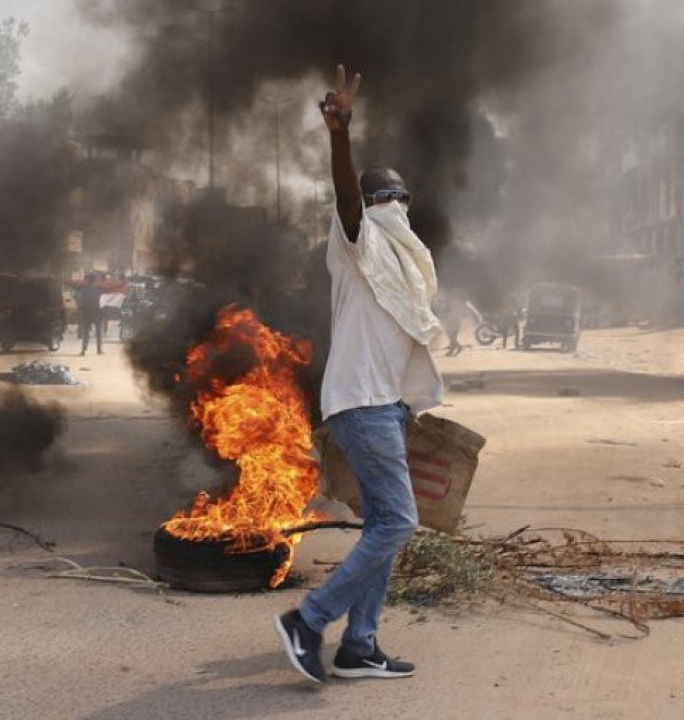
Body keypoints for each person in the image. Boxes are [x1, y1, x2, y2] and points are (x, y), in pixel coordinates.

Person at [275, 65, 444, 684]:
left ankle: (360, 645)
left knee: (383, 526)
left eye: (402, 196)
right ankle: (309, 619)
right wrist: (340, 136)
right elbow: (346, 197)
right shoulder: (359, 244)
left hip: (386, 407)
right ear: (369, 208)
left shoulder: (404, 267)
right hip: (361, 405)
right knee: (399, 522)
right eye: (384, 198)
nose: (394, 205)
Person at [77, 273, 103, 356]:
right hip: (97, 314)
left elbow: (81, 303)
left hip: (87, 314)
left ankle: (83, 350)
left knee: (86, 333)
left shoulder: (84, 290)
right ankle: (99, 350)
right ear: (95, 281)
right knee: (98, 332)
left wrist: (82, 314)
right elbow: (101, 302)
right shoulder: (98, 290)